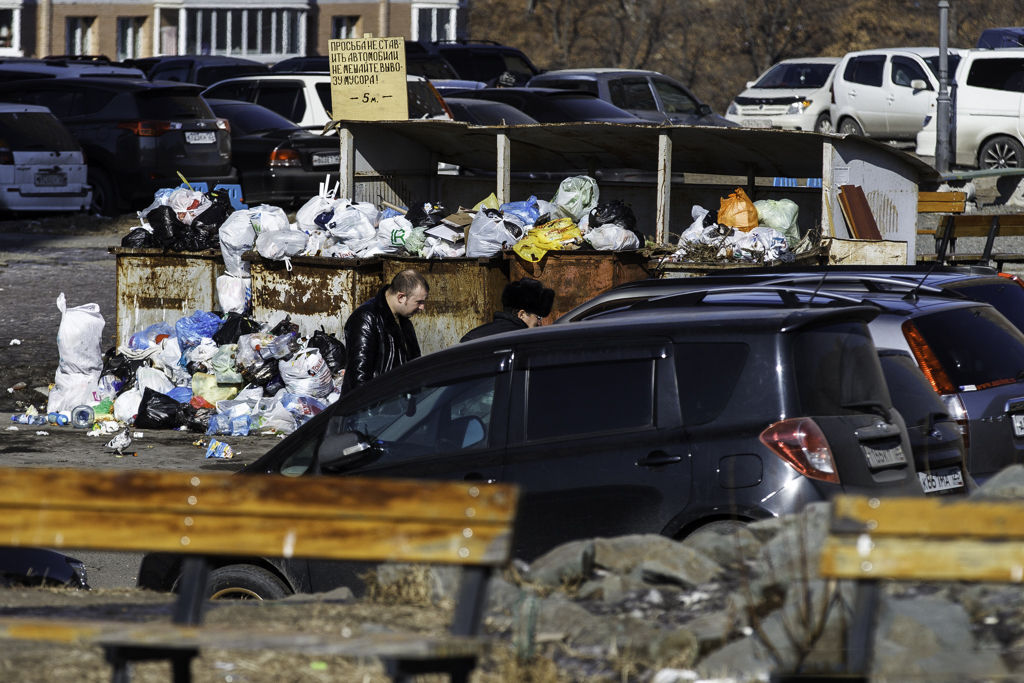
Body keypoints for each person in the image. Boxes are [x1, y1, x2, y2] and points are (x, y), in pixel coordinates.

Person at [341, 269, 429, 394]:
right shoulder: (366, 318)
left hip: (395, 405)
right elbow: (359, 378)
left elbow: (414, 364)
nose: (422, 308)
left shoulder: (404, 321)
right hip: (375, 407)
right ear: (401, 297)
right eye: (419, 302)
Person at [460, 277, 554, 342]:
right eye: (538, 317)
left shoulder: (473, 335)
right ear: (521, 314)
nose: (540, 323)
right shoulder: (521, 339)